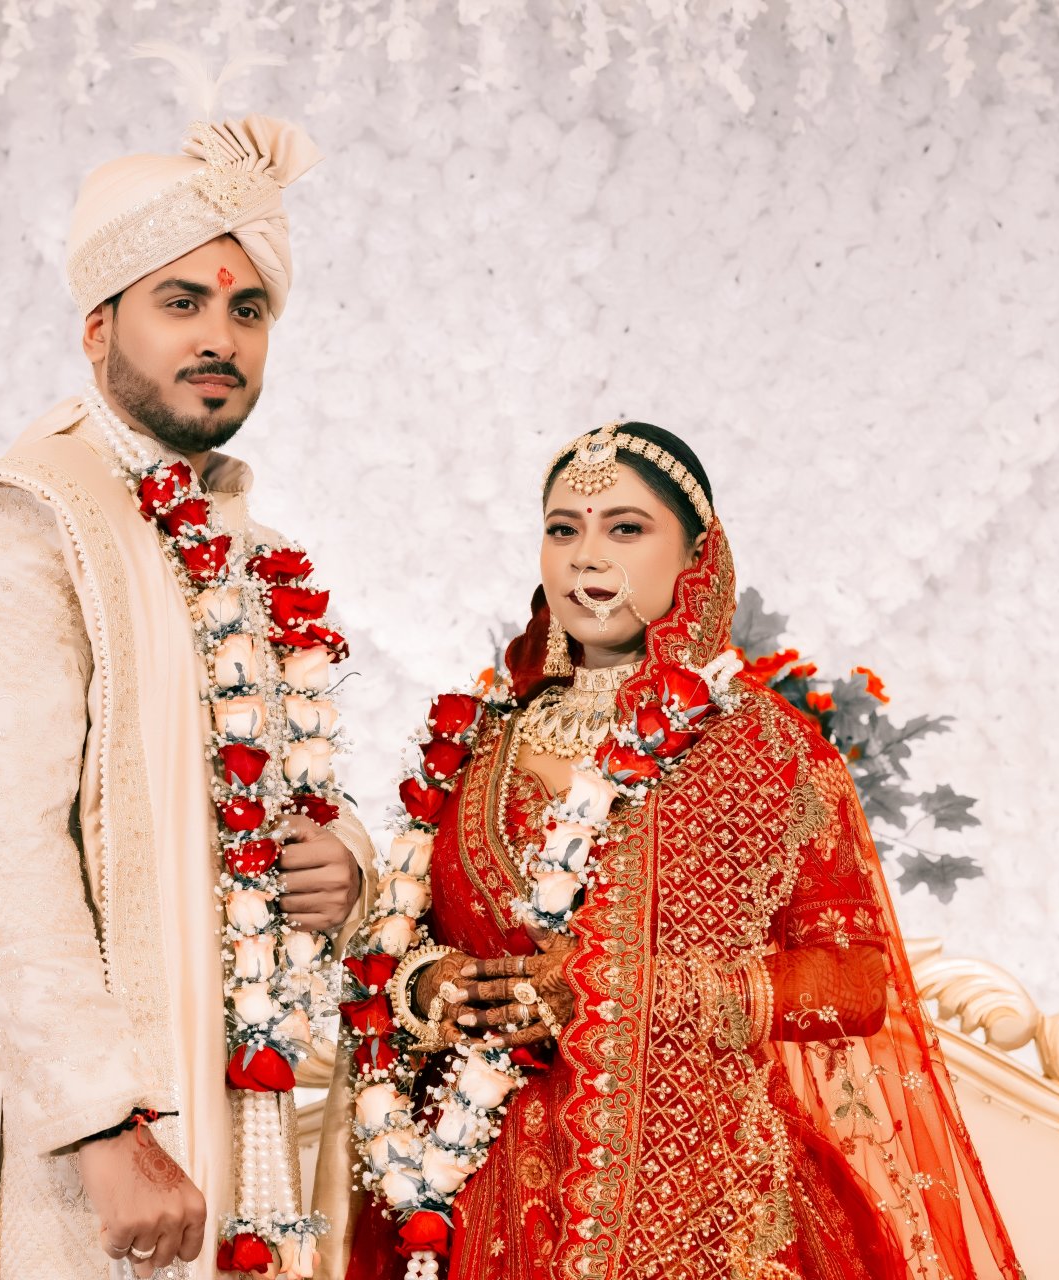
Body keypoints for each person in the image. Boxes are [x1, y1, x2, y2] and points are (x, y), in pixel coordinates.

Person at [0, 109, 375, 1280]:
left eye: (249, 310)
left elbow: (261, 798)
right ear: (98, 327)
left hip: (252, 1122)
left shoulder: (248, 550)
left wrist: (344, 860)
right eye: (181, 302)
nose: (220, 337)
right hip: (96, 1148)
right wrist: (105, 1127)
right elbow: (1, 851)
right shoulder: (14, 521)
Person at [336, 422, 1022, 1279]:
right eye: (563, 529)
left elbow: (852, 982)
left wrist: (617, 992)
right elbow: (395, 958)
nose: (588, 557)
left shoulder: (769, 749)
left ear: (697, 555)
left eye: (626, 528)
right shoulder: (472, 747)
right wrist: (430, 987)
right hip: (478, 1196)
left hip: (711, 1198)